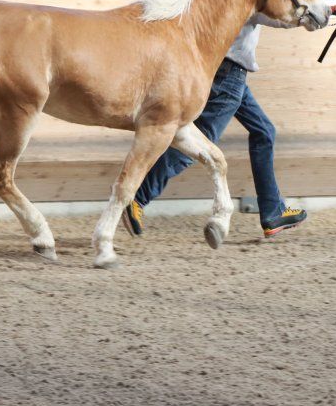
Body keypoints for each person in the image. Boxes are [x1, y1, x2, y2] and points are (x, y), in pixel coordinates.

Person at [121, 14, 308, 239]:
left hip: (229, 73)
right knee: (194, 147)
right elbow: (283, 16)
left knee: (264, 131)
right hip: (230, 76)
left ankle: (273, 212)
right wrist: (326, 12)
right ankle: (137, 198)